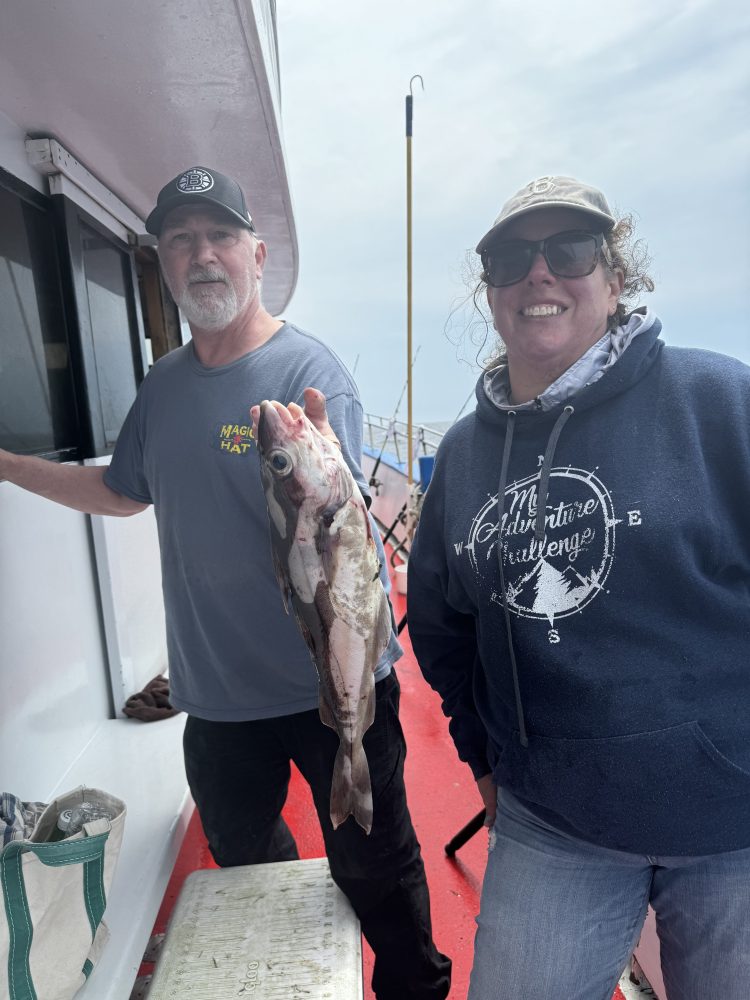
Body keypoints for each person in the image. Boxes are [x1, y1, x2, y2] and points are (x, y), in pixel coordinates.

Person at [0, 166, 450, 1000]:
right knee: (245, 863)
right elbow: (118, 491)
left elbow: (338, 529)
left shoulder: (307, 374)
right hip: (216, 698)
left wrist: (318, 471)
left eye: (220, 238)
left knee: (378, 866)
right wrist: (11, 467)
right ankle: (297, 970)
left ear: (257, 253)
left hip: (332, 686)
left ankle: (414, 990)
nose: (202, 256)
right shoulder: (164, 386)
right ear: (165, 265)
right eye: (180, 241)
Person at [407, 175, 750, 1000]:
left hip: (734, 826)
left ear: (616, 276)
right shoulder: (461, 456)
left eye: (570, 249)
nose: (540, 274)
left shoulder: (721, 402)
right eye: (511, 258)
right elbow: (443, 628)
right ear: (489, 291)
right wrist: (483, 758)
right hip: (553, 826)